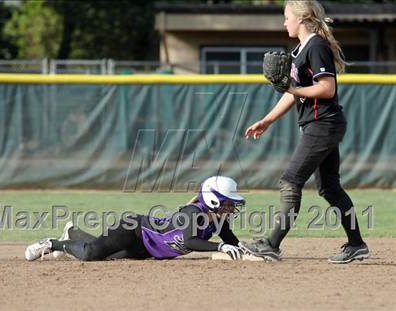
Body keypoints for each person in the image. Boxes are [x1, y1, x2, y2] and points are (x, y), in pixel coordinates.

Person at [241, 0, 369, 264]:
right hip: (320, 124)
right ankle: (357, 245)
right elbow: (292, 95)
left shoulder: (317, 46)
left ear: (300, 18)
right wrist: (267, 120)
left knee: (290, 181)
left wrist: (294, 90)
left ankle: (271, 244)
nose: (284, 22)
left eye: (286, 16)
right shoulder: (300, 50)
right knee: (330, 188)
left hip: (323, 123)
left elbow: (327, 89)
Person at [25, 176, 246, 261]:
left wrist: (249, 250)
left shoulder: (218, 219)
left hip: (145, 250)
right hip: (134, 230)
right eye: (227, 201)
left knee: (105, 257)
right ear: (213, 200)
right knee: (90, 254)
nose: (231, 206)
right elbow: (189, 242)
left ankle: (72, 232)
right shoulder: (193, 213)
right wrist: (220, 248)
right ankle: (53, 243)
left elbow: (232, 242)